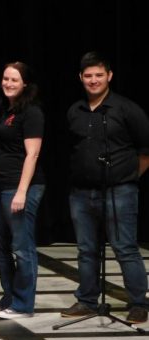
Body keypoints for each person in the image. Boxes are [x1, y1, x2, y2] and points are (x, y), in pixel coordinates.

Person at [61, 51, 149, 324]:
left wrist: (129, 177)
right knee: (86, 249)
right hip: (81, 192)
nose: (93, 80)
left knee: (124, 247)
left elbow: (145, 151)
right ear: (81, 78)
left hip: (119, 191)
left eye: (99, 75)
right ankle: (87, 299)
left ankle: (138, 302)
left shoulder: (126, 109)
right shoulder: (74, 110)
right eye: (88, 76)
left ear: (109, 76)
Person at [0, 62, 46, 320]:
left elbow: (32, 154)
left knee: (22, 247)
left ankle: (24, 304)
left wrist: (22, 191)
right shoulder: (6, 110)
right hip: (1, 186)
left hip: (22, 186)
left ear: (25, 84)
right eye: (5, 78)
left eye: (14, 79)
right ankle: (10, 295)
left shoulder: (32, 112)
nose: (8, 83)